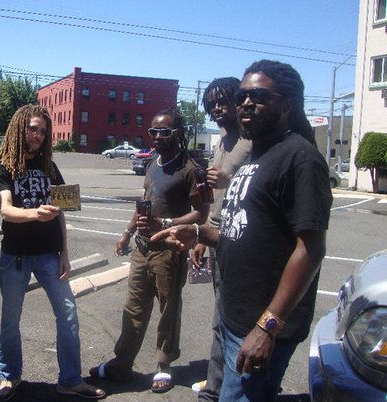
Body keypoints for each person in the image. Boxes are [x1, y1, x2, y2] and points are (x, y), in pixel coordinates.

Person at [152, 60, 332, 401]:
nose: (246, 103)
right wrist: (199, 234)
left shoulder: (300, 158)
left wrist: (268, 327)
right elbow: (242, 234)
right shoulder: (256, 156)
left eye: (259, 96)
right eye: (242, 96)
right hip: (234, 317)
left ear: (286, 104)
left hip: (259, 326)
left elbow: (311, 249)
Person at [0, 104, 105, 401]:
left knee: (68, 315)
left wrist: (65, 253)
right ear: (19, 129)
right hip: (15, 257)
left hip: (50, 256)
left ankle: (70, 380)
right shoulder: (2, 168)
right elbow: (6, 210)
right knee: (10, 321)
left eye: (42, 130)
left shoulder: (49, 167)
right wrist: (35, 214)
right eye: (32, 128)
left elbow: (62, 210)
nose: (38, 135)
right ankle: (9, 376)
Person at [89, 107, 208, 394]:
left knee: (169, 309)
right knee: (134, 308)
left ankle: (164, 365)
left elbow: (201, 213)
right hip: (142, 249)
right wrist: (127, 233)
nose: (156, 136)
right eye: (153, 131)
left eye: (163, 131)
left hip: (169, 251)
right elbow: (144, 204)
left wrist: (166, 224)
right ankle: (122, 364)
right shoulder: (153, 163)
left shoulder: (191, 169)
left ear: (177, 133)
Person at [191, 78, 251, 401]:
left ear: (238, 101)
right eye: (211, 103)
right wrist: (202, 236)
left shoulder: (251, 139)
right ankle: (217, 384)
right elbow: (213, 199)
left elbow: (259, 183)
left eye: (223, 101)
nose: (216, 108)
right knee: (220, 316)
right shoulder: (222, 141)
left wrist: (231, 178)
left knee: (232, 319)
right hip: (216, 235)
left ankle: (221, 388)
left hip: (240, 239)